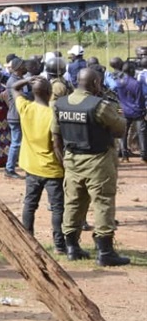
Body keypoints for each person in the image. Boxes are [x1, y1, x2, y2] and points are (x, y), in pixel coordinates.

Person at [53, 68, 130, 266]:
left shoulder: (60, 104)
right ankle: (105, 252)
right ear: (96, 83)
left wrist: (64, 162)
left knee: (73, 202)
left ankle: (72, 247)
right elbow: (120, 129)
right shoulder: (100, 105)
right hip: (98, 161)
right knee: (103, 202)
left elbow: (56, 137)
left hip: (72, 160)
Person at [10, 77, 66, 255]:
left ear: (34, 93)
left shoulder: (25, 107)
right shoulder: (52, 115)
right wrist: (65, 166)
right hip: (52, 169)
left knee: (29, 204)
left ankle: (28, 240)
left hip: (31, 166)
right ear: (50, 94)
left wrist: (27, 80)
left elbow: (14, 88)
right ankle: (59, 245)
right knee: (57, 208)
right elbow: (57, 145)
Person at [115, 62, 146, 163]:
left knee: (124, 133)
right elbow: (140, 100)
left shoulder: (119, 82)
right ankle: (144, 156)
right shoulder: (136, 83)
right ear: (132, 71)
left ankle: (124, 156)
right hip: (137, 111)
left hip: (125, 110)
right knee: (141, 133)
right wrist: (143, 111)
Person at [4, 58, 28, 179]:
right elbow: (21, 97)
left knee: (18, 142)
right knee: (16, 143)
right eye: (23, 66)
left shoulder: (18, 79)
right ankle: (9, 169)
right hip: (16, 116)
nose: (25, 68)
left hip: (17, 115)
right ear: (18, 68)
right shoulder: (13, 81)